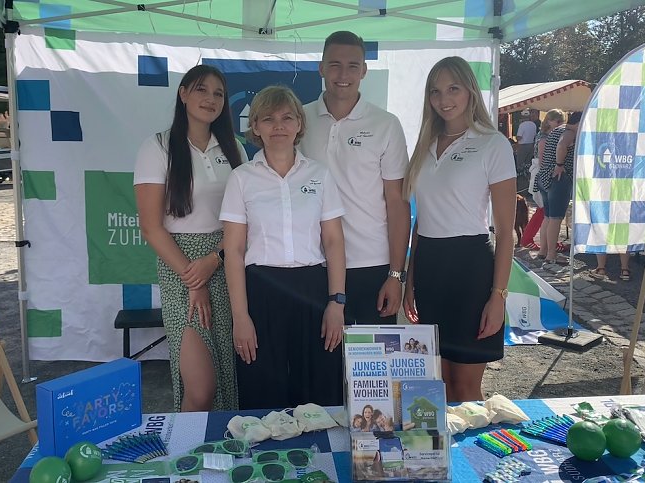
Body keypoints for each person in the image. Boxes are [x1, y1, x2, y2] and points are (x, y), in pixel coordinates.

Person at [220, 85, 347, 410]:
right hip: (261, 292)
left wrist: (337, 303)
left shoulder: (319, 174)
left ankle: (321, 461)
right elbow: (233, 251)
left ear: (299, 125)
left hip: (312, 292)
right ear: (256, 127)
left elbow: (333, 241)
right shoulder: (241, 178)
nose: (278, 125)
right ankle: (268, 461)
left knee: (319, 393)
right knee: (262, 392)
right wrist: (241, 317)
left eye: (287, 117)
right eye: (268, 118)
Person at [402, 57, 516, 402]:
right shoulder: (423, 146)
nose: (444, 99)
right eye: (435, 91)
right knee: (436, 384)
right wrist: (409, 278)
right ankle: (442, 457)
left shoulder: (492, 144)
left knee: (465, 387)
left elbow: (507, 230)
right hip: (430, 267)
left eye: (453, 88)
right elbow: (421, 220)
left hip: (471, 268)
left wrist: (498, 296)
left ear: (470, 91)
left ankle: (472, 458)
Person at [134, 65, 246, 412]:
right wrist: (193, 279)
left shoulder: (234, 149)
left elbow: (245, 220)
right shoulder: (157, 147)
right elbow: (152, 228)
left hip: (227, 261)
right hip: (179, 266)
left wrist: (215, 259)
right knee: (200, 389)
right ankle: (185, 457)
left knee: (229, 375)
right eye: (201, 90)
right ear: (182, 94)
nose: (210, 99)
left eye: (218, 93)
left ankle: (223, 454)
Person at [300, 31, 410, 326]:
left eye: (352, 65)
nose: (343, 74)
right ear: (321, 68)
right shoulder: (297, 120)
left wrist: (396, 275)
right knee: (323, 368)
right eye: (334, 65)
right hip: (313, 263)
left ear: (363, 70)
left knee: (373, 370)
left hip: (371, 266)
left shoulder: (386, 124)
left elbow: (398, 204)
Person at [537, 112, 581, 269]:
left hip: (544, 176)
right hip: (558, 178)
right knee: (556, 218)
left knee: (548, 217)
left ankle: (543, 251)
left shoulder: (558, 129)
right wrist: (560, 165)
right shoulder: (569, 132)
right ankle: (551, 255)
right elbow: (562, 145)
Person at [522, 109, 566, 250]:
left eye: (562, 121)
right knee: (545, 211)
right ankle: (530, 239)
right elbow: (543, 161)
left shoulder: (547, 135)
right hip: (543, 174)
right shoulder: (544, 137)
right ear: (549, 121)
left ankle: (545, 243)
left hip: (542, 174)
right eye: (558, 121)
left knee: (545, 212)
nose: (560, 124)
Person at [514, 109, 537, 173]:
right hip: (531, 145)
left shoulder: (522, 125)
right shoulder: (533, 124)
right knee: (528, 162)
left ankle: (521, 177)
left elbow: (519, 137)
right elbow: (534, 135)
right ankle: (527, 175)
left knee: (520, 162)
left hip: (523, 145)